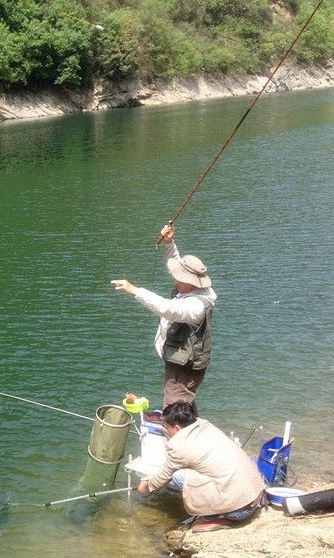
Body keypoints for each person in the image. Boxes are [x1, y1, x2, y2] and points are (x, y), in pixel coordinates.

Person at [111, 223, 216, 406]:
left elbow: (166, 308)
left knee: (175, 406)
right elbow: (175, 263)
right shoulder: (193, 288)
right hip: (180, 360)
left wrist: (135, 291)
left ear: (188, 281)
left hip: (185, 367)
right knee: (183, 404)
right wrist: (168, 242)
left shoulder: (195, 306)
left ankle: (176, 431)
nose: (174, 277)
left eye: (178, 276)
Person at [138, 402, 266, 533]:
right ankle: (220, 510)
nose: (164, 430)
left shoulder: (179, 446)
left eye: (165, 426)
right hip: (256, 496)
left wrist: (147, 485)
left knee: (178, 476)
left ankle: (223, 518)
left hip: (239, 511)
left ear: (176, 428)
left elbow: (165, 475)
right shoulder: (206, 426)